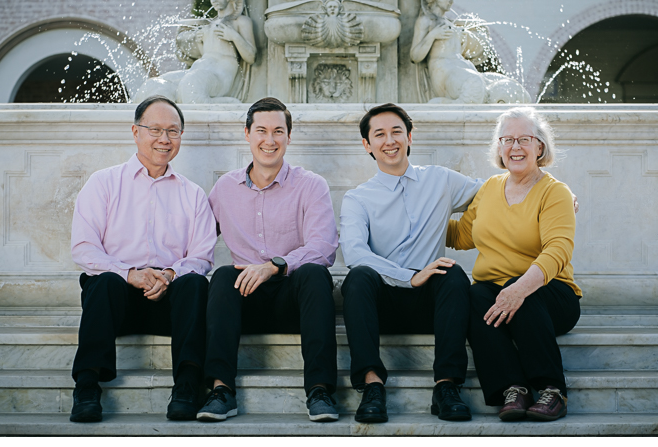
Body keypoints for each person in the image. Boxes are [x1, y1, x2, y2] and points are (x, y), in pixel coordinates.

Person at [69, 95, 216, 423]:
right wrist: (129, 273)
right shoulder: (104, 183)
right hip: (117, 301)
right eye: (155, 130)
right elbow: (83, 248)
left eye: (173, 131)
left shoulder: (192, 194)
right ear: (136, 132)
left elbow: (203, 255)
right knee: (103, 280)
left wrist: (168, 275)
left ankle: (187, 387)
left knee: (194, 283)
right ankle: (88, 386)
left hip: (170, 302)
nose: (164, 139)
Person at [339, 103, 484, 424]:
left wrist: (548, 190)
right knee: (358, 278)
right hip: (382, 303)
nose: (389, 141)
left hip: (431, 306)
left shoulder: (440, 180)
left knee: (453, 273)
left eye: (396, 132)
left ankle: (446, 386)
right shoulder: (358, 198)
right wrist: (409, 277)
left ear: (409, 137)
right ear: (368, 145)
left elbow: (491, 192)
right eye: (379, 135)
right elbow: (355, 253)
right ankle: (372, 385)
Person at [199, 97, 340, 423]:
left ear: (289, 137)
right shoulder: (224, 188)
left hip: (294, 299)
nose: (270, 139)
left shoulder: (311, 185)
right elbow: (197, 241)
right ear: (247, 134)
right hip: (245, 302)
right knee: (222, 276)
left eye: (278, 131)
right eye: (261, 130)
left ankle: (320, 391)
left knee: (316, 274)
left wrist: (275, 265)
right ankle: (221, 391)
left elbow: (324, 246)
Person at [446, 106, 581, 422]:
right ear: (499, 148)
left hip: (552, 297)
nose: (515, 147)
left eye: (524, 139)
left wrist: (518, 289)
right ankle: (513, 389)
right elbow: (462, 235)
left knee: (512, 288)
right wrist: (413, 218)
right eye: (507, 140)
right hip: (497, 296)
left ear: (539, 146)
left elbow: (558, 249)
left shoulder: (555, 192)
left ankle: (551, 390)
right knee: (476, 294)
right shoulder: (490, 188)